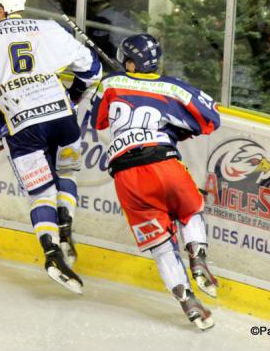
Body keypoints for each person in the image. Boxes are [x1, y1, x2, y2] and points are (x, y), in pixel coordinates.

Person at [0, 0, 102, 294]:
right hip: (62, 118)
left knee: (40, 194)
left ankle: (53, 255)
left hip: (22, 126)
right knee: (66, 172)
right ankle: (65, 223)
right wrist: (72, 97)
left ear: (1, 10)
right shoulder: (49, 28)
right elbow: (92, 69)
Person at [88, 33, 220, 330]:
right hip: (163, 161)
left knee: (161, 247)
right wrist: (176, 128)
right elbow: (211, 118)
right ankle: (198, 257)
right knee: (190, 210)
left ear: (131, 62)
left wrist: (122, 85)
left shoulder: (110, 83)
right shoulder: (172, 88)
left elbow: (98, 121)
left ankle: (189, 303)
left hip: (126, 175)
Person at [53, 0, 142, 71]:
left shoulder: (101, 28)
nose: (61, 7)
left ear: (74, 2)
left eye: (63, 2)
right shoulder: (125, 17)